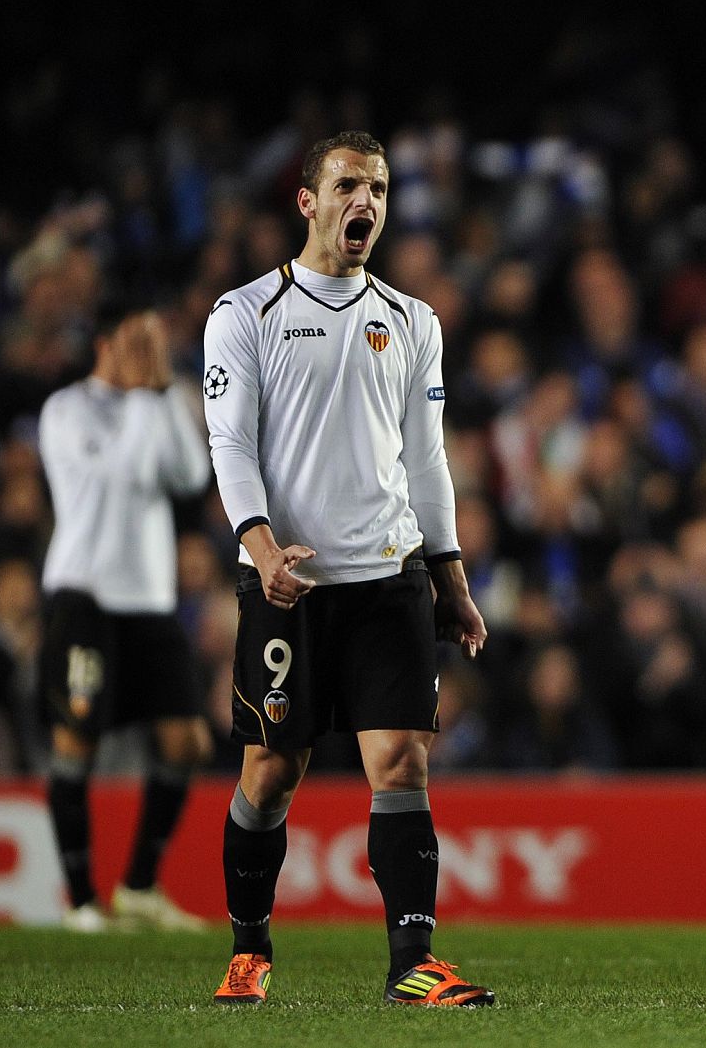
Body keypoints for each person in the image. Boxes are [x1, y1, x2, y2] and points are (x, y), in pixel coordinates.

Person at [202, 131, 493, 1007]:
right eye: (347, 186)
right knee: (271, 771)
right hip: (287, 579)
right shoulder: (243, 313)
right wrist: (258, 545)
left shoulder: (412, 320)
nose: (364, 201)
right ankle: (250, 948)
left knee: (400, 759)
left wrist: (450, 575)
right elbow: (229, 442)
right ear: (308, 201)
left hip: (389, 574)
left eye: (377, 187)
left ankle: (414, 963)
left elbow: (428, 459)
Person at [37, 307, 214, 931]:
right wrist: (148, 397)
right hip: (84, 595)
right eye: (141, 339)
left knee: (187, 739)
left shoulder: (159, 399)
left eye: (158, 339)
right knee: (77, 737)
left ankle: (139, 886)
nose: (151, 349)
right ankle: (82, 900)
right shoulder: (67, 410)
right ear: (107, 343)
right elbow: (121, 474)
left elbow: (191, 475)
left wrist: (158, 394)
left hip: (149, 599)